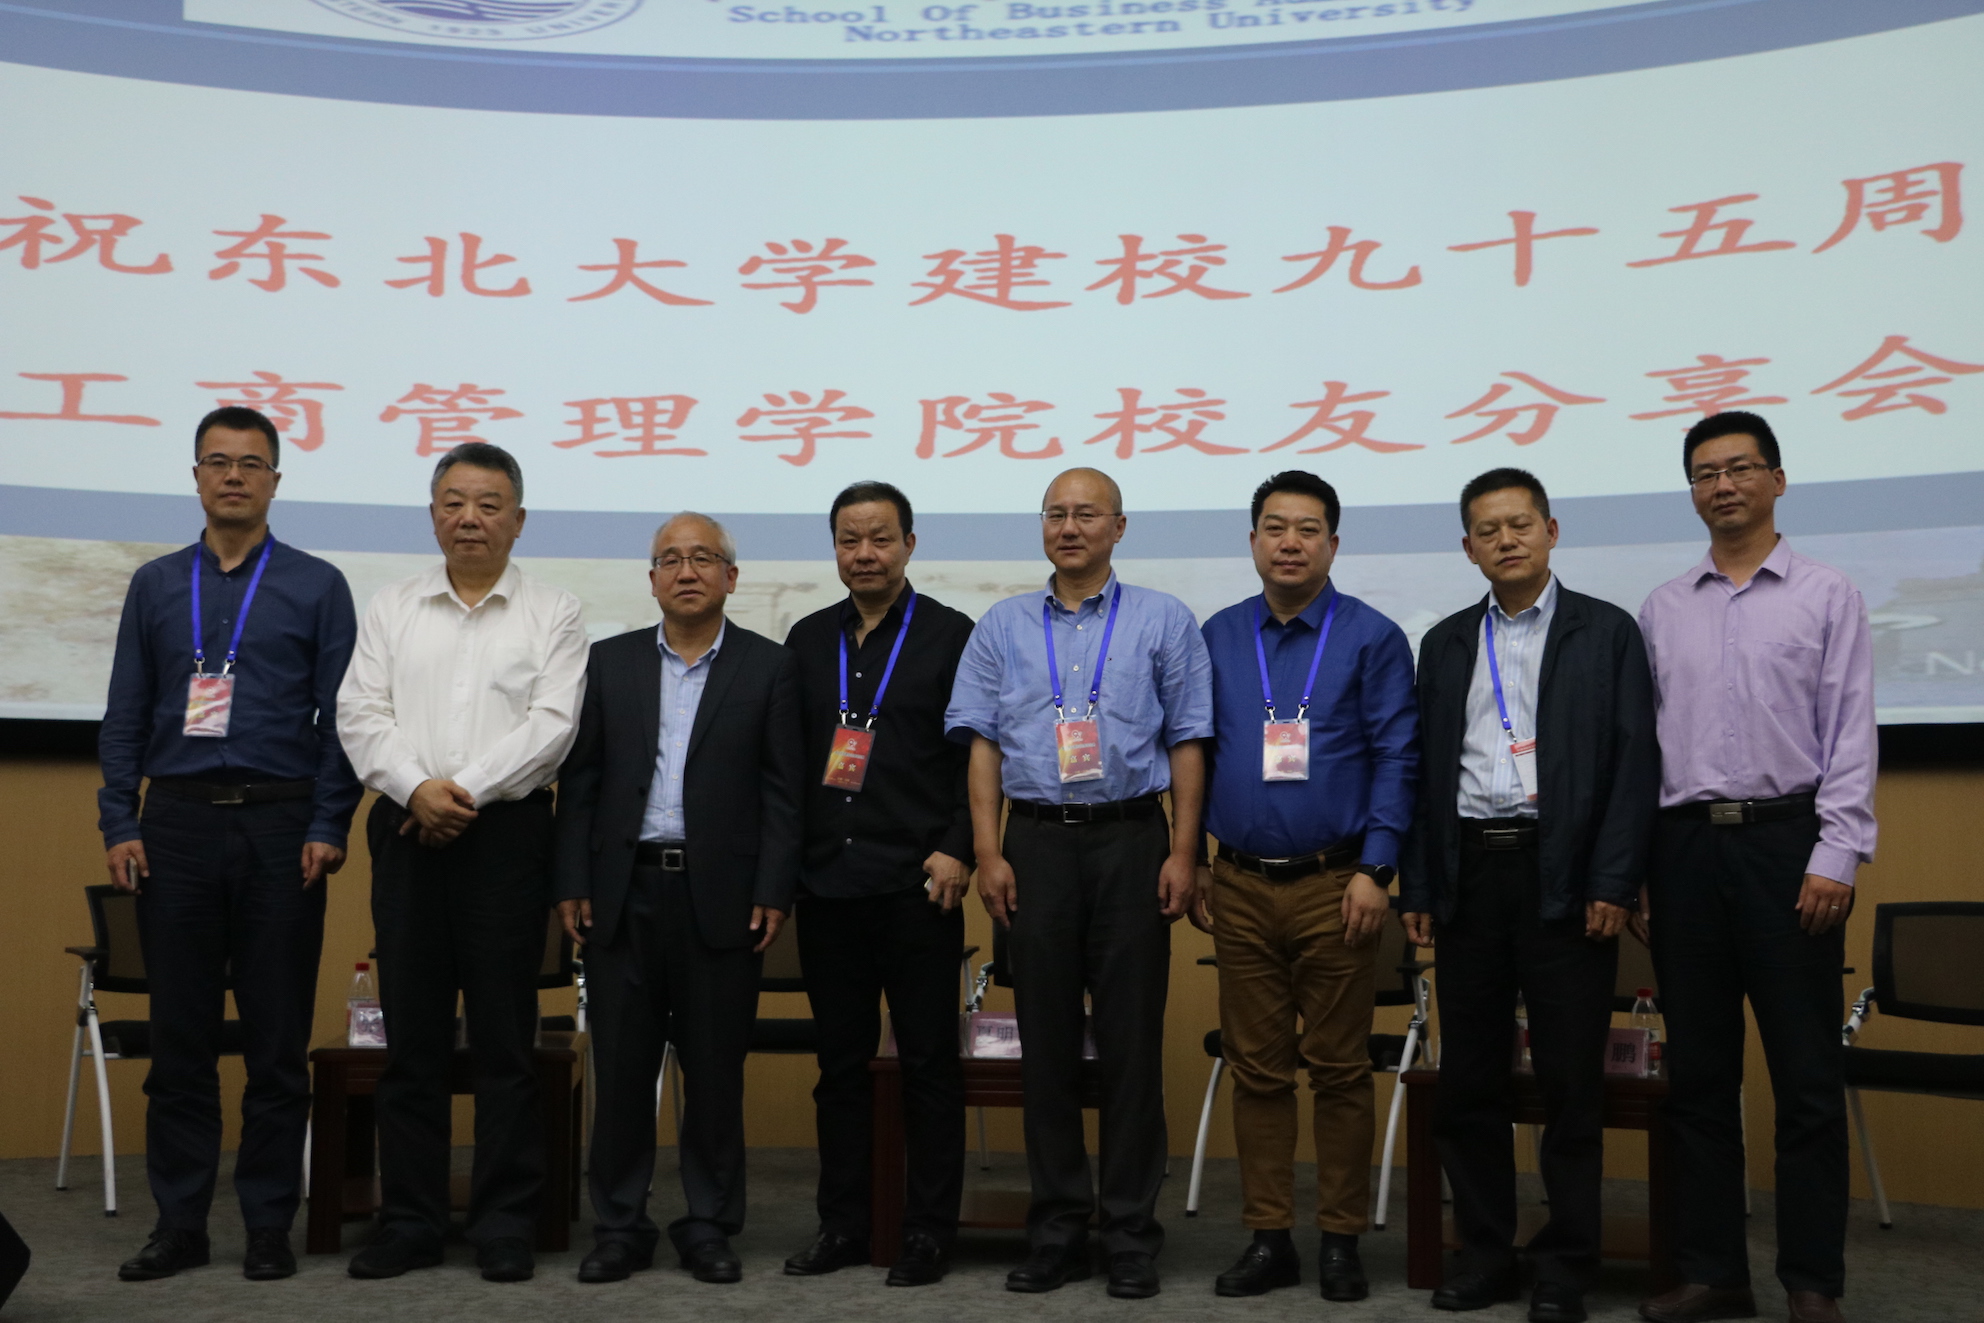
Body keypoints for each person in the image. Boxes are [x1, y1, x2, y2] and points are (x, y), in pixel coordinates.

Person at [98, 406, 361, 1283]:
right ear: (197, 477)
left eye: (251, 463)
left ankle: (267, 1223)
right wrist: (119, 819)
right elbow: (125, 712)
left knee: (276, 1043)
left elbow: (344, 722)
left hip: (282, 828)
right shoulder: (155, 584)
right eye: (218, 461)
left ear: (276, 480)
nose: (234, 475)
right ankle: (179, 1224)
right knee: (180, 1041)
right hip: (174, 825)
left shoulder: (318, 585)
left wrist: (328, 823)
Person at [945, 466, 1213, 1300]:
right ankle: (1057, 1228)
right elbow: (983, 745)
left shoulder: (1164, 619)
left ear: (1118, 527)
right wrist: (988, 852)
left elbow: (1188, 741)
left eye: (1087, 513)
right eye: (1055, 513)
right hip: (1034, 845)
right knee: (1047, 1048)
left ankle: (1129, 1233)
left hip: (1132, 840)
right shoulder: (1002, 624)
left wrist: (1185, 850)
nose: (1069, 526)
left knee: (1132, 1048)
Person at [1635, 413, 1875, 1323]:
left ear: (1777, 479)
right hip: (1685, 850)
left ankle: (1812, 1282)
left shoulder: (1827, 594)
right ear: (1691, 492)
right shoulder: (1663, 607)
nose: (1723, 485)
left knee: (1806, 1080)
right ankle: (1713, 1271)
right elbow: (1646, 750)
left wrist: (1836, 851)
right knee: (1698, 1078)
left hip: (1789, 847)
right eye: (1705, 473)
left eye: (1740, 468)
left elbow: (1850, 731)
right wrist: (1642, 867)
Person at [1403, 467, 1658, 1323]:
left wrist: (1613, 880)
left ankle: (1566, 1264)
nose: (1505, 539)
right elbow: (1422, 775)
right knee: (1469, 1079)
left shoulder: (1606, 631)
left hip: (1567, 874)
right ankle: (1485, 1252)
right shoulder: (1444, 642)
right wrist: (1421, 881)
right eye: (1488, 529)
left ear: (1551, 531)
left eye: (1520, 524)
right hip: (1470, 872)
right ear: (1467, 547)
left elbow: (1633, 765)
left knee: (1569, 1083)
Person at [335, 442, 588, 1284]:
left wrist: (462, 792)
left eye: (487, 503)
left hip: (506, 837)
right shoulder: (393, 605)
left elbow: (552, 726)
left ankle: (504, 1220)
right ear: (433, 514)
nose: (469, 518)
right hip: (406, 830)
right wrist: (416, 790)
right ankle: (408, 1219)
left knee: (505, 1039)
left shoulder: (553, 611)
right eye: (453, 502)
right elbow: (360, 713)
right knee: (411, 1037)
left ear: (519, 519)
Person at [553, 513, 804, 1287]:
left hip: (721, 894)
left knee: (715, 1073)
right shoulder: (609, 661)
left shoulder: (769, 666)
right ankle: (620, 1226)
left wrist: (773, 886)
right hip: (622, 892)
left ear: (732, 576)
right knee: (623, 1070)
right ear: (652, 578)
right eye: (670, 559)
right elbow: (581, 783)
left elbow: (784, 789)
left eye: (703, 558)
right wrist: (573, 881)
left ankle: (709, 1224)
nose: (686, 571)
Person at [1196, 471, 1419, 1302]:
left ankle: (1340, 1239)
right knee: (1257, 1070)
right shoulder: (1218, 635)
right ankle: (1268, 1238)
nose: (1290, 542)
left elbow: (1398, 756)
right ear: (1253, 539)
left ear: (1333, 542)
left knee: (1338, 1069)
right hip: (1239, 883)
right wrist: (1195, 858)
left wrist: (1377, 868)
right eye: (1275, 527)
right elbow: (1194, 753)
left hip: (1339, 884)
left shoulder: (1372, 636)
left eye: (1308, 528)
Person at [779, 483, 975, 1287]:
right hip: (828, 885)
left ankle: (927, 1230)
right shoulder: (805, 639)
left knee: (928, 1065)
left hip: (919, 885)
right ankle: (845, 1223)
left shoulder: (952, 636)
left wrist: (959, 847)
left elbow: (978, 757)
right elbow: (788, 763)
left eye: (880, 538)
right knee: (840, 1068)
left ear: (909, 544)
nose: (865, 554)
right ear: (835, 548)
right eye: (849, 540)